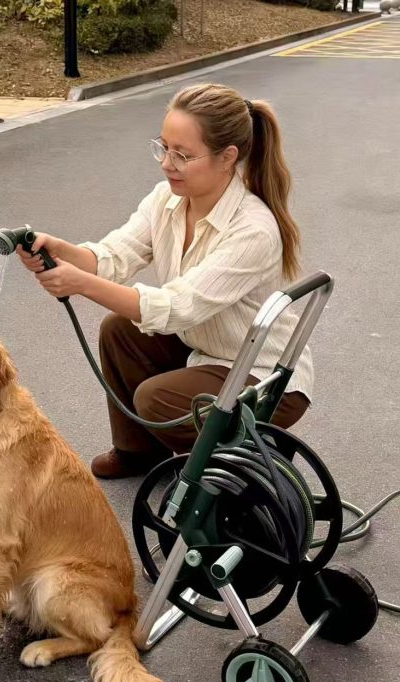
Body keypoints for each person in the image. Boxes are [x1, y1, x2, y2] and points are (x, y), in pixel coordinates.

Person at [16, 83, 312, 479]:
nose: (167, 164)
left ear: (227, 157)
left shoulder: (253, 230)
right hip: (205, 346)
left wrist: (80, 283)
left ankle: (230, 469)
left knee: (156, 400)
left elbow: (176, 308)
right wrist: (60, 249)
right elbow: (115, 255)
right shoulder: (166, 200)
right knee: (120, 330)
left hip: (261, 375)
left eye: (182, 155)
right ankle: (138, 452)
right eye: (164, 148)